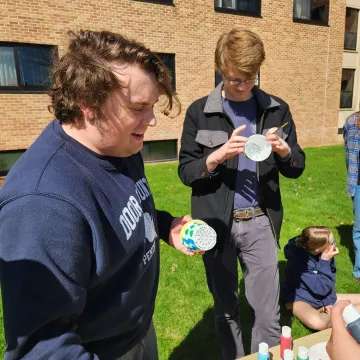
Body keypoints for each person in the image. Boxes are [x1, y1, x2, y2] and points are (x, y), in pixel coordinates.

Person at [0, 29, 195, 360]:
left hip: (137, 332)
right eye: (139, 107)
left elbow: (127, 209)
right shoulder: (44, 204)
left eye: (153, 106)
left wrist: (165, 226)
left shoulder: (120, 144)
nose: (151, 121)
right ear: (88, 105)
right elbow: (44, 349)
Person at [178, 28, 305, 359]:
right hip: (216, 226)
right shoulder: (199, 112)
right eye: (236, 79)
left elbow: (296, 166)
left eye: (250, 78)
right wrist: (216, 156)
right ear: (221, 69)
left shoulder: (276, 109)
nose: (244, 85)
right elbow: (186, 173)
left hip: (260, 222)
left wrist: (283, 151)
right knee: (225, 309)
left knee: (267, 315)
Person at [283, 226, 360, 330]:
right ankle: (346, 315)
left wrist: (328, 301)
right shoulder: (299, 262)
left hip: (320, 296)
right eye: (332, 243)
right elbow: (319, 289)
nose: (335, 245)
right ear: (317, 249)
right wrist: (324, 262)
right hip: (300, 299)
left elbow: (329, 282)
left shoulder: (323, 253)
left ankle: (344, 314)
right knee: (318, 323)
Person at [344, 112, 360, 281]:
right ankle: (359, 270)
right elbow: (351, 157)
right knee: (359, 229)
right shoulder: (353, 122)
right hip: (359, 183)